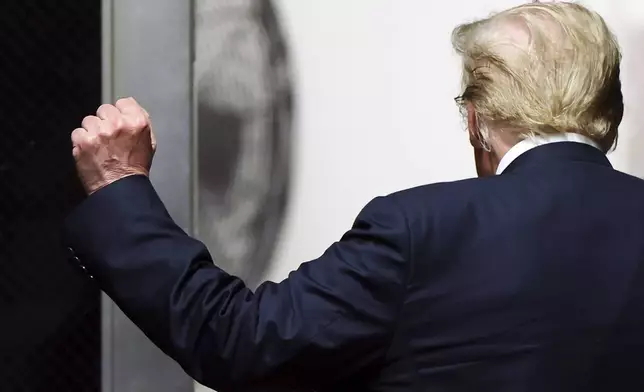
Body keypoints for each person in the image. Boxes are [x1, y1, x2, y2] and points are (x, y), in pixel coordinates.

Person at [64, 2, 643, 391]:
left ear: (477, 118)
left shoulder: (420, 230)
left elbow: (240, 341)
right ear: (608, 116)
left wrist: (120, 189)